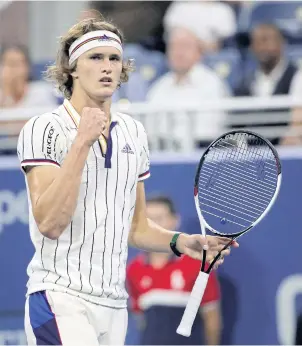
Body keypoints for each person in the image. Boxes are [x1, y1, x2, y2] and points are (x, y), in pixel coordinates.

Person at [16, 14, 238, 345]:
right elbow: (49, 222)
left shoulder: (134, 132)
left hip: (114, 306)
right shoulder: (44, 128)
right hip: (60, 298)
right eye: (95, 57)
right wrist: (81, 143)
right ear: (73, 68)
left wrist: (181, 242)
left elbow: (136, 228)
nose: (107, 66)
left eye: (114, 58)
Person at [127, 195, 222, 345]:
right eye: (149, 220)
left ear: (175, 220)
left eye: (159, 218)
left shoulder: (197, 265)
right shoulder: (134, 269)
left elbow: (211, 318)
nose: (154, 226)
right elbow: (141, 320)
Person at [146, 25, 231, 150]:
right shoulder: (158, 87)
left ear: (199, 52)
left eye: (185, 46)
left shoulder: (212, 84)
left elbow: (209, 132)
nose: (179, 52)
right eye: (174, 47)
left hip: (201, 156)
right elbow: (149, 130)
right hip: (162, 155)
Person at [0, 44, 57, 108]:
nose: (11, 70)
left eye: (15, 64)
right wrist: (6, 95)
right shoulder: (2, 96)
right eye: (7, 64)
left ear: (27, 67)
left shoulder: (40, 93)